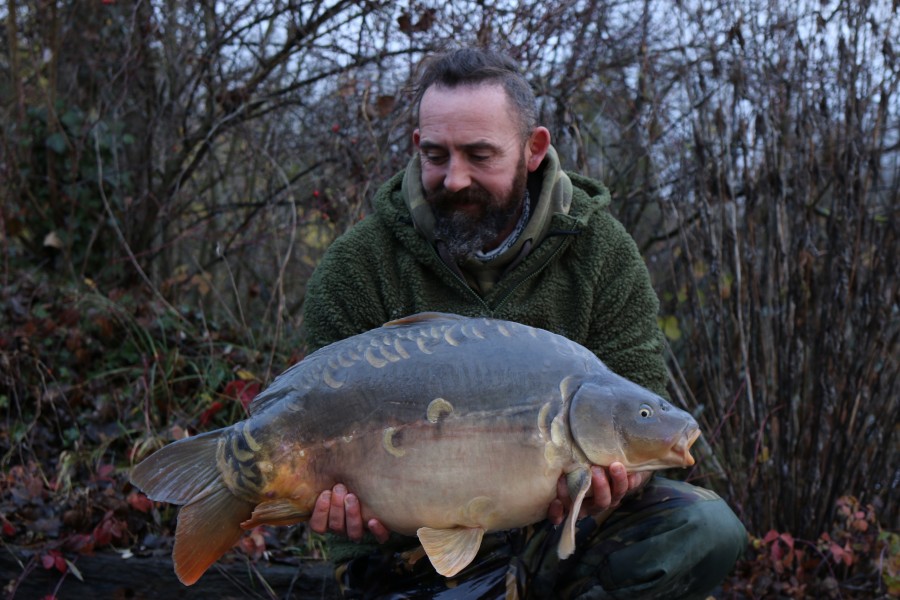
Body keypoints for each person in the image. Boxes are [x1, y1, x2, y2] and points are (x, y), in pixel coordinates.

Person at [302, 47, 746, 599]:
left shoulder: (602, 255)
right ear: (417, 146)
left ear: (534, 150)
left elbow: (637, 403)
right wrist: (342, 523)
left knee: (705, 526)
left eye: (480, 155)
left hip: (562, 534)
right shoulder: (357, 267)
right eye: (437, 155)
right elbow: (312, 420)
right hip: (409, 549)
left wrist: (626, 480)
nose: (455, 178)